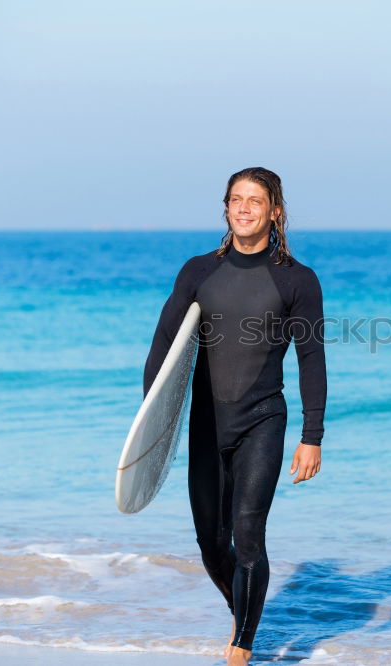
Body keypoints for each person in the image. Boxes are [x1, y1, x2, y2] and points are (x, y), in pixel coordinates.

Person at [142, 167, 326, 665]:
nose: (244, 208)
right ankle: (242, 609)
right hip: (207, 423)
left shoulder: (298, 281)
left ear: (275, 211)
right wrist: (151, 418)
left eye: (255, 200)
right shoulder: (199, 271)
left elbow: (312, 359)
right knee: (209, 543)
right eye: (235, 199)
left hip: (263, 420)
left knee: (248, 533)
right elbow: (164, 344)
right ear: (226, 208)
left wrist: (313, 436)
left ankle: (243, 646)